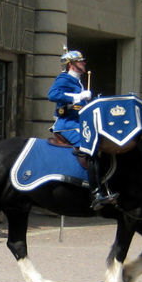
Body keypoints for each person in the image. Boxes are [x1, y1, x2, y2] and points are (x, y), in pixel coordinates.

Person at [47, 49, 116, 210]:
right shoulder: (64, 78)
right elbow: (52, 95)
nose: (84, 63)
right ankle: (96, 193)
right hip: (66, 125)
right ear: (71, 64)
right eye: (81, 61)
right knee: (90, 147)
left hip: (78, 123)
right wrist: (77, 97)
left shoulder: (78, 82)